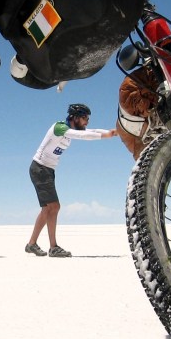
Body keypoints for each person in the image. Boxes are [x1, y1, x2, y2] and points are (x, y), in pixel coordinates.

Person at [26, 103, 117, 258]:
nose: (87, 122)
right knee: (54, 206)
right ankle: (53, 247)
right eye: (84, 118)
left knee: (47, 209)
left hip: (47, 170)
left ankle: (31, 244)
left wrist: (111, 132)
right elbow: (83, 136)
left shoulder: (71, 130)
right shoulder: (60, 127)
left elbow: (90, 131)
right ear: (75, 117)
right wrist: (107, 135)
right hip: (40, 168)